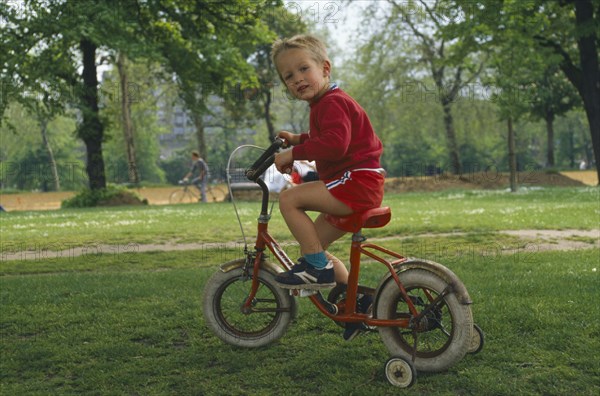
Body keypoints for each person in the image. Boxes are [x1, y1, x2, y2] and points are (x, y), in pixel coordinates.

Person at [271, 34, 385, 340]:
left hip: (354, 184)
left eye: (303, 69)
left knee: (289, 200)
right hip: (354, 184)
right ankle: (354, 307)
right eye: (289, 76)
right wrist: (298, 140)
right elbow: (326, 136)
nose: (297, 79)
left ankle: (318, 270)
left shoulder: (332, 102)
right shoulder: (325, 104)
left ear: (325, 68)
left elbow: (335, 144)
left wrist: (293, 153)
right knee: (314, 248)